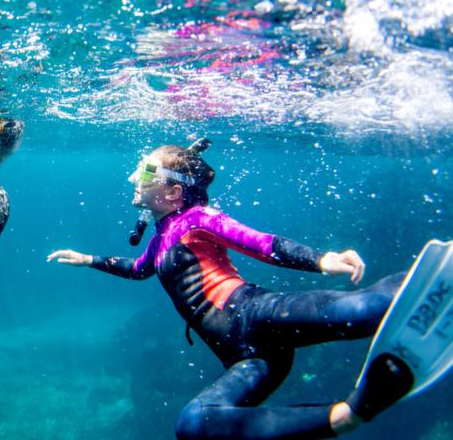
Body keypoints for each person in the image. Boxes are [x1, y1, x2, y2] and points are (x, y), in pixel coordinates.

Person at [47, 139, 414, 439]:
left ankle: (419, 282)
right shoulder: (161, 239)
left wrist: (322, 260)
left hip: (256, 315)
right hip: (247, 356)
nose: (132, 178)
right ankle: (347, 415)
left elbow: (261, 243)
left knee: (368, 312)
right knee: (194, 424)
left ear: (174, 192)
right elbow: (138, 270)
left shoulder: (198, 219)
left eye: (144, 171)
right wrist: (89, 259)